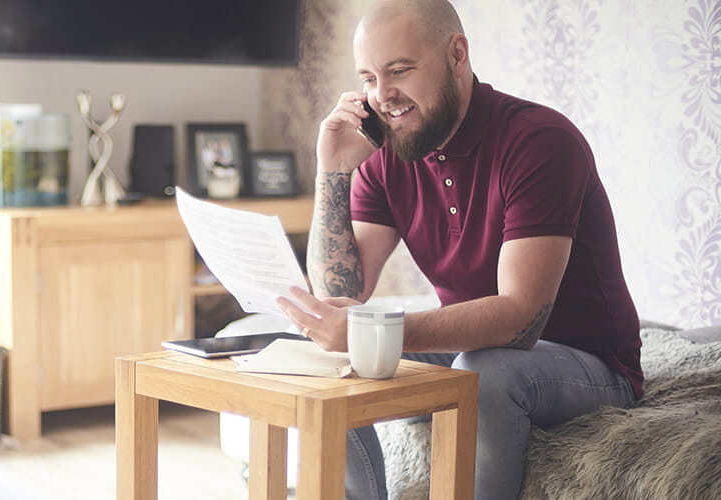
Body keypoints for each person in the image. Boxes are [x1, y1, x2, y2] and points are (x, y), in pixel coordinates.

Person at [275, 1, 642, 499]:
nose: (382, 97)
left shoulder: (540, 141)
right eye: (368, 78)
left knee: (482, 373)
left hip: (591, 363)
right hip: (476, 346)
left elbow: (520, 319)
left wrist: (367, 330)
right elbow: (342, 291)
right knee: (329, 360)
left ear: (457, 54)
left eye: (399, 70)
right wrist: (333, 170)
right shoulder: (387, 155)